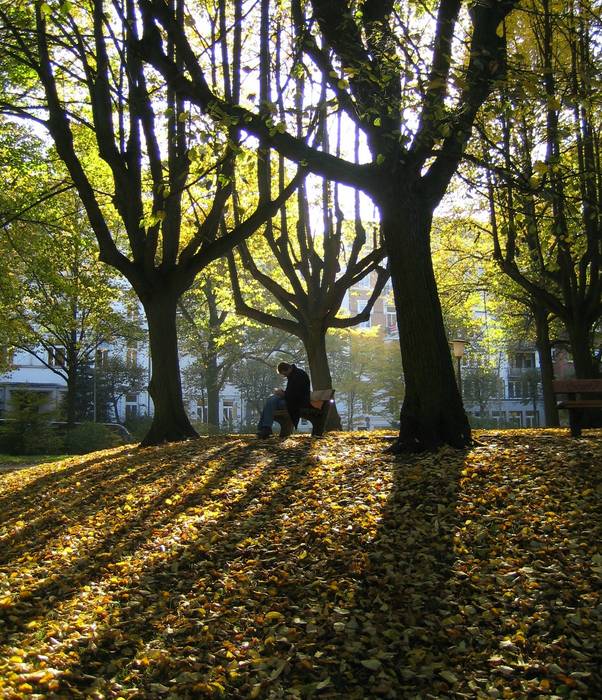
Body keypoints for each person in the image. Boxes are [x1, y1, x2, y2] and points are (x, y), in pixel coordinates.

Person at [256, 361, 311, 438]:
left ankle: (264, 428)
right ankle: (265, 428)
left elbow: (296, 395)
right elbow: (291, 392)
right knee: (271, 400)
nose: (285, 376)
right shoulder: (293, 374)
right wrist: (282, 393)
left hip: (298, 402)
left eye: (284, 374)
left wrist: (283, 394)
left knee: (271, 402)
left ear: (288, 369)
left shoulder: (298, 375)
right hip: (291, 400)